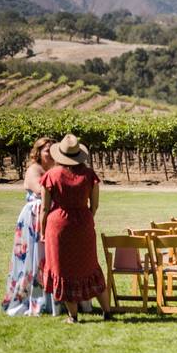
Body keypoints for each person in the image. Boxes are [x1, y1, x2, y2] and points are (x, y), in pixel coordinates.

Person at [40, 134, 111, 323]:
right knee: (90, 268)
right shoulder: (89, 175)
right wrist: (86, 219)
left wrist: (42, 229)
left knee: (64, 271)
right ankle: (107, 311)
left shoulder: (51, 175)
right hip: (84, 224)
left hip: (58, 226)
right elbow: (94, 205)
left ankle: (73, 316)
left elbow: (45, 208)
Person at [1, 136, 57, 316]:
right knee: (34, 258)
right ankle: (32, 299)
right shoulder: (35, 169)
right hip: (34, 218)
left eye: (53, 150)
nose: (50, 154)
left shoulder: (53, 169)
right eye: (47, 151)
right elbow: (41, 191)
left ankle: (52, 299)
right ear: (39, 153)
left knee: (49, 258)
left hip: (48, 215)